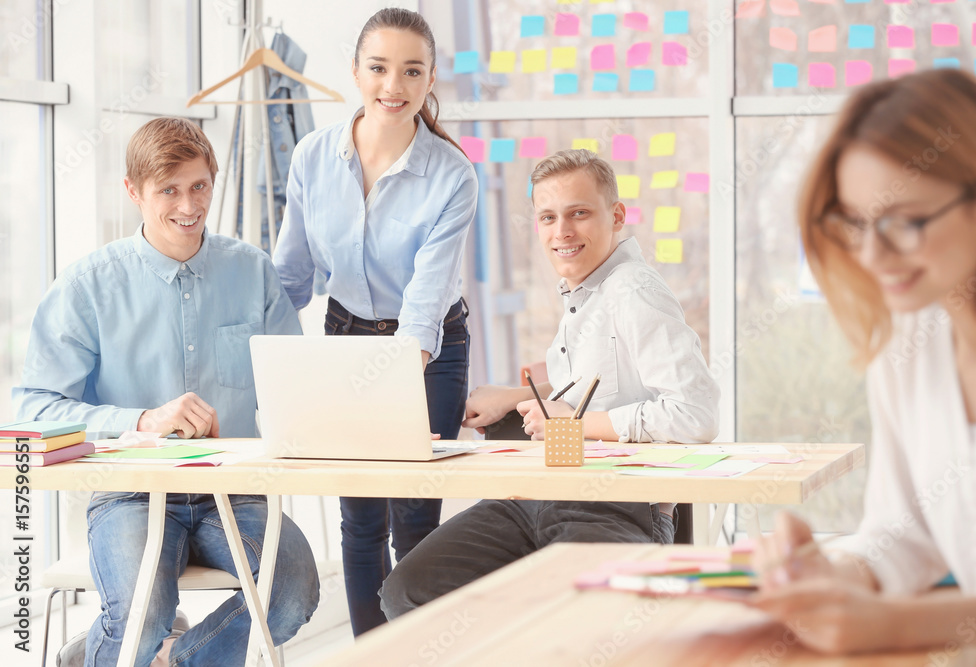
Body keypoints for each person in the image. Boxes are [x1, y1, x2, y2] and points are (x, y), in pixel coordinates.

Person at [13, 117, 319, 666]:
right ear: (134, 192)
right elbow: (33, 408)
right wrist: (142, 420)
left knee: (291, 591)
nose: (188, 205)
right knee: (141, 617)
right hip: (130, 491)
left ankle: (177, 659)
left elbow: (294, 388)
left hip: (235, 489)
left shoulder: (253, 273)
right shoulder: (87, 287)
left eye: (199, 185)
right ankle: (105, 653)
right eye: (169, 190)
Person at [379, 149, 720, 618]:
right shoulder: (584, 292)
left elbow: (695, 414)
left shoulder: (633, 290)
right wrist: (514, 397)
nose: (562, 232)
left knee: (575, 617)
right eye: (548, 217)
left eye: (579, 213)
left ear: (616, 216)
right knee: (410, 591)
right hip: (537, 494)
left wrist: (576, 428)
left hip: (613, 505)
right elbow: (597, 389)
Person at [750, 68, 976, 654]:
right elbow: (904, 530)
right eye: (857, 223)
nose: (871, 253)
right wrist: (833, 575)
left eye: (905, 222)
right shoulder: (910, 344)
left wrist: (898, 625)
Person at [271, 8, 477, 636]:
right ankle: (371, 652)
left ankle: (417, 650)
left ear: (431, 77)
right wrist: (277, 375)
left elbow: (423, 307)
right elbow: (291, 276)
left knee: (415, 518)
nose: (394, 85)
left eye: (412, 71)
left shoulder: (452, 175)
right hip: (346, 338)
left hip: (430, 351)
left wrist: (386, 389)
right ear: (356, 72)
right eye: (379, 67)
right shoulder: (312, 157)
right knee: (360, 519)